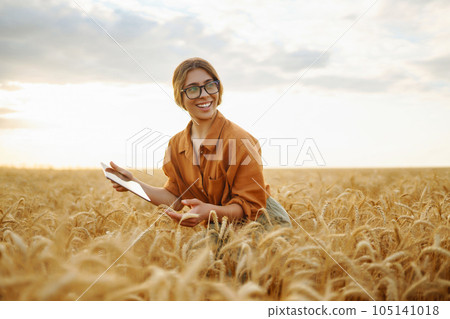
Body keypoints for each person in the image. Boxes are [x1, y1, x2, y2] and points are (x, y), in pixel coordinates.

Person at [108, 57, 291, 228]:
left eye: (210, 85)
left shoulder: (241, 142)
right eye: (193, 89)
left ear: (218, 89)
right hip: (220, 225)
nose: (204, 95)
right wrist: (133, 184)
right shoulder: (176, 145)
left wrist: (209, 212)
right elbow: (175, 198)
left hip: (262, 223)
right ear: (181, 96)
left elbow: (248, 207)